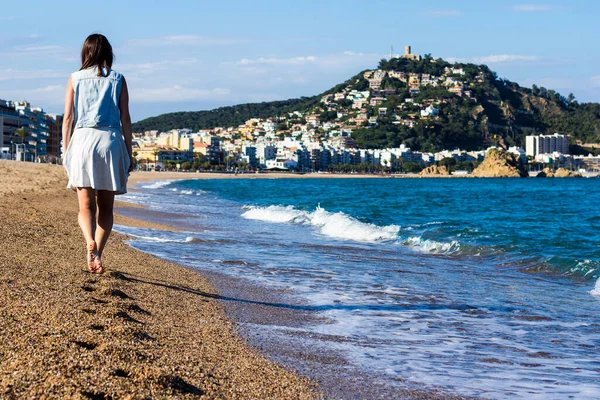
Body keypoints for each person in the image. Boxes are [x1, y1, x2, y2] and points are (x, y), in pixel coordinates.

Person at [62, 34, 134, 274]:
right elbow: (125, 118)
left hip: (83, 141)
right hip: (110, 142)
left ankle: (88, 241)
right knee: (106, 207)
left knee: (85, 207)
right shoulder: (118, 79)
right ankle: (99, 253)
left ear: (86, 52)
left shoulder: (75, 78)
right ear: (108, 53)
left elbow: (68, 119)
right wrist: (129, 152)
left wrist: (66, 151)